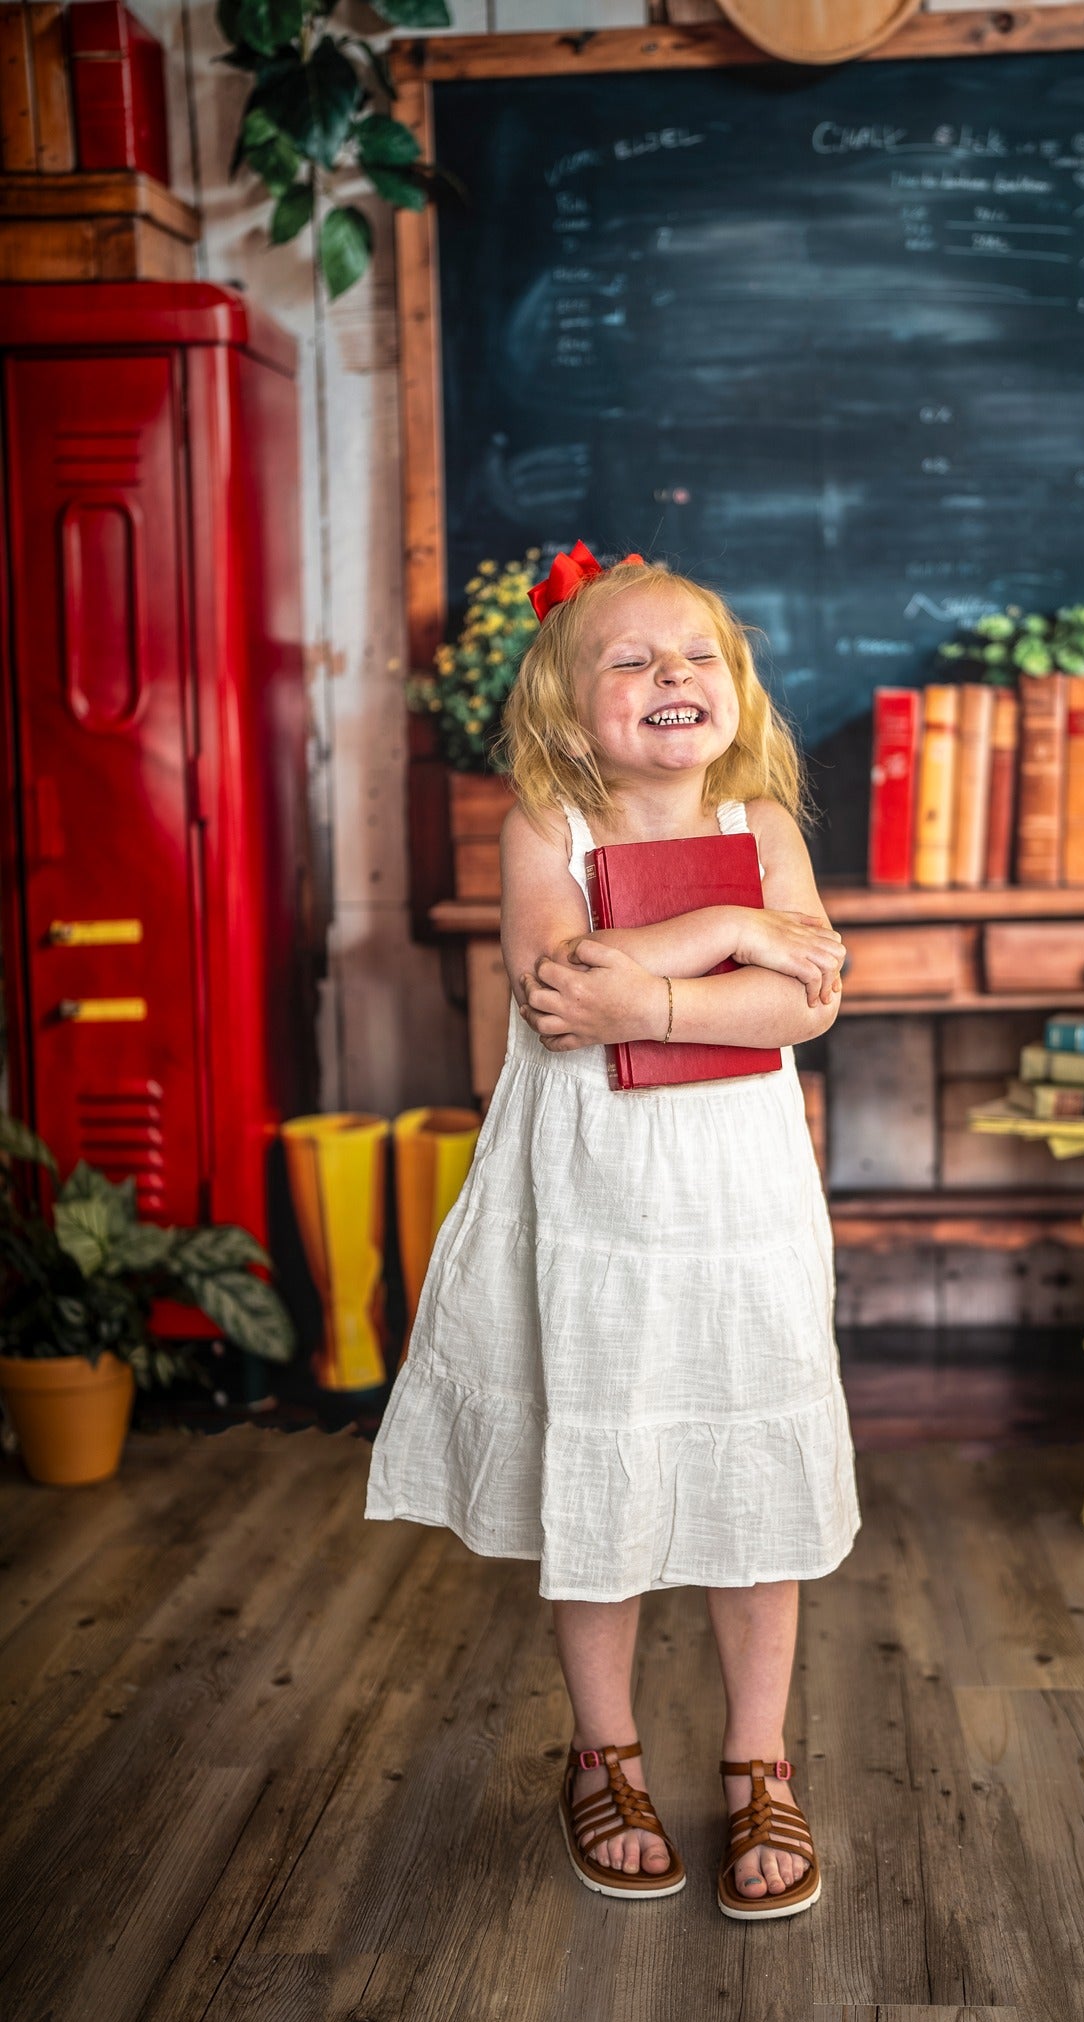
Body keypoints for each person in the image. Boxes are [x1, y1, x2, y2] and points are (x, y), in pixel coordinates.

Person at [366, 543, 862, 1919]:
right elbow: (555, 982)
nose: (669, 678)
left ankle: (758, 1760)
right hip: (594, 1204)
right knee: (608, 1469)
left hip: (738, 1201)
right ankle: (607, 1752)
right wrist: (723, 934)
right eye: (629, 662)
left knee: (751, 1463)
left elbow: (806, 995)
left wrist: (654, 996)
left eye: (694, 657)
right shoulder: (548, 829)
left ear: (738, 692)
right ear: (565, 708)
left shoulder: (765, 824)